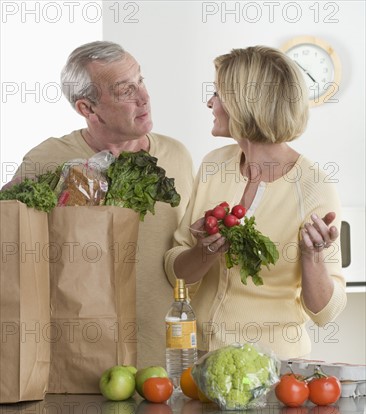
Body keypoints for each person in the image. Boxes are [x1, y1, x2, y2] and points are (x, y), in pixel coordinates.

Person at [8, 40, 194, 368]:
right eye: (125, 90)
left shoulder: (177, 156)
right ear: (87, 109)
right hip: (75, 359)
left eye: (141, 81)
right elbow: (12, 251)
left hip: (167, 358)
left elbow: (188, 254)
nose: (144, 97)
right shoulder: (46, 160)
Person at [164, 46, 347, 359]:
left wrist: (313, 255)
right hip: (201, 358)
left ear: (244, 103)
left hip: (275, 367)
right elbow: (176, 273)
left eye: (218, 94)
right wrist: (205, 250)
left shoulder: (313, 185)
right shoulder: (213, 165)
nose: (210, 102)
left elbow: (324, 312)